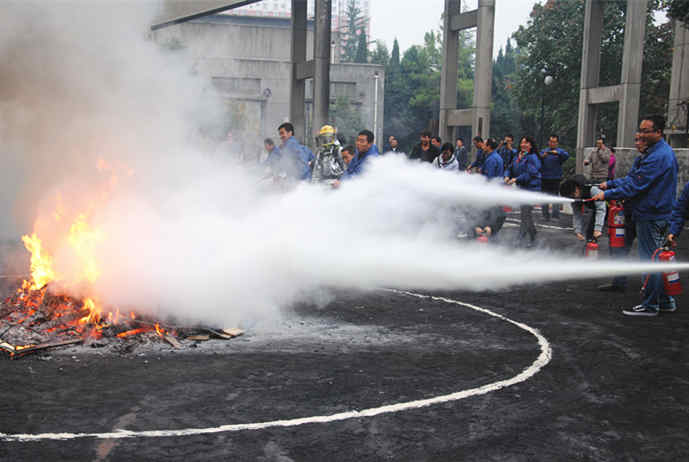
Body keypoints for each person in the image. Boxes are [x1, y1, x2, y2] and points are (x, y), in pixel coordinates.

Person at [592, 116, 678, 316]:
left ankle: (650, 305)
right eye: (640, 130)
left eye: (646, 131)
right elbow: (633, 179)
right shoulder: (654, 153)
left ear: (658, 132)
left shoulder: (658, 156)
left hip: (651, 214)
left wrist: (607, 194)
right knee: (655, 258)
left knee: (650, 260)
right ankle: (665, 301)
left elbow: (635, 185)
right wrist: (611, 185)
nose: (641, 135)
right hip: (653, 212)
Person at [505, 136, 542, 247]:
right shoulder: (518, 156)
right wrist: (507, 176)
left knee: (525, 214)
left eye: (526, 143)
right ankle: (533, 236)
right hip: (522, 188)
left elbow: (531, 174)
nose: (523, 145)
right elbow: (509, 168)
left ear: (531, 145)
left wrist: (516, 179)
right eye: (522, 142)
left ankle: (519, 239)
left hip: (531, 189)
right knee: (526, 215)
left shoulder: (533, 158)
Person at [559, 174, 605, 242]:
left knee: (614, 232)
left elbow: (601, 209)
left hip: (609, 205)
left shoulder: (593, 189)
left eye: (574, 193)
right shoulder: (574, 197)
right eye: (571, 196)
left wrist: (598, 229)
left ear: (577, 187)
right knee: (590, 234)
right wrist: (578, 231)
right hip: (598, 208)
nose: (575, 196)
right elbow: (577, 213)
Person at [539, 135, 570, 220]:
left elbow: (566, 156)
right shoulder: (544, 151)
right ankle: (545, 215)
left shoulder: (560, 151)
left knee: (555, 196)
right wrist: (542, 156)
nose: (552, 143)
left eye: (554, 142)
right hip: (544, 177)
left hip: (556, 178)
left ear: (557, 143)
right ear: (548, 142)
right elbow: (538, 159)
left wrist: (558, 153)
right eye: (551, 141)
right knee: (544, 196)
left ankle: (555, 215)